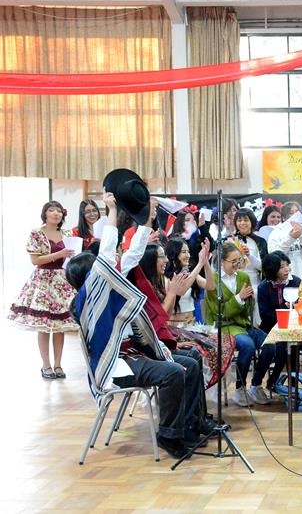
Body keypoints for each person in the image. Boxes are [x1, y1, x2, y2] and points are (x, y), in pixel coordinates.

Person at [66, 186, 207, 459]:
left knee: (188, 363)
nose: (107, 267)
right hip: (114, 366)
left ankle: (188, 427)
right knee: (173, 372)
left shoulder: (104, 292)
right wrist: (111, 210)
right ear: (90, 275)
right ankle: (169, 435)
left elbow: (131, 256)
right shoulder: (87, 300)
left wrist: (145, 221)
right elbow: (108, 253)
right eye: (99, 266)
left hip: (131, 355)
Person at [150, 238, 236, 390]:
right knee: (202, 348)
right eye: (184, 252)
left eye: (188, 251)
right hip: (176, 329)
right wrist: (200, 264)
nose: (188, 255)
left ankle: (203, 388)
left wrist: (206, 263)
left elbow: (210, 286)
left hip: (192, 325)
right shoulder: (166, 278)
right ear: (174, 254)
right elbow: (181, 290)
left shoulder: (191, 274)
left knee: (223, 341)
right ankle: (196, 387)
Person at [9, 200, 78, 380]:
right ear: (45, 214)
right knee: (44, 325)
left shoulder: (67, 233)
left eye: (58, 211)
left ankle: (58, 364)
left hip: (62, 280)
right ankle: (46, 365)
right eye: (51, 210)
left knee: (60, 326)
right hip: (43, 281)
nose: (56, 213)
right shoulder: (37, 233)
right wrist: (58, 254)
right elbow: (35, 260)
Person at [205, 241, 275, 407]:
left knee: (270, 344)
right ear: (222, 261)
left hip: (244, 324)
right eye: (233, 261)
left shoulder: (243, 277)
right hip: (225, 327)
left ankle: (256, 384)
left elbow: (247, 311)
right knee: (248, 346)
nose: (238, 264)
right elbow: (219, 313)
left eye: (240, 260)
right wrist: (239, 298)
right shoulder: (213, 281)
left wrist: (250, 300)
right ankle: (240, 388)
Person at [256, 251, 295, 392]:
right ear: (273, 270)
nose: (286, 269)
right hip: (270, 328)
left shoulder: (295, 282)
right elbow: (265, 314)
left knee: (292, 345)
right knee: (281, 345)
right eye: (281, 267)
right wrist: (283, 311)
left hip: (292, 327)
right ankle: (269, 381)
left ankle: (290, 384)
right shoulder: (263, 287)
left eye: (287, 265)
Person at [268, 202, 302, 301]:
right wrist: (291, 238)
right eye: (290, 213)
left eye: (297, 212)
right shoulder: (276, 233)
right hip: (287, 283)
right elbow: (274, 256)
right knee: (290, 310)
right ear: (284, 217)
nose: (295, 216)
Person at [232, 208, 269, 325]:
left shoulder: (260, 241)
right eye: (239, 220)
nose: (242, 223)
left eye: (245, 220)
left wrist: (249, 255)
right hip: (234, 282)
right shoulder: (229, 240)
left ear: (252, 222)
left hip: (254, 283)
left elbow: (264, 267)